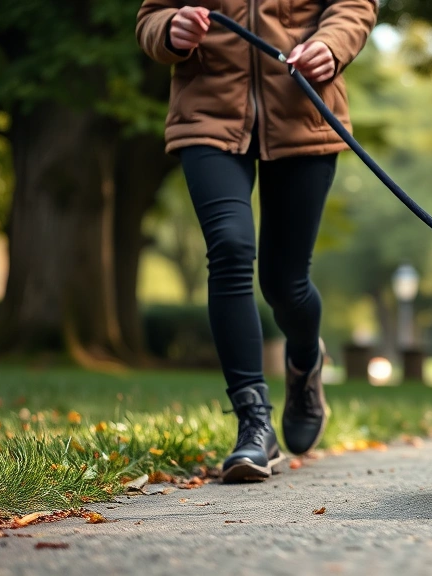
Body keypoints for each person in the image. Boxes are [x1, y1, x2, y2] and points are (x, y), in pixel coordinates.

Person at [136, 0, 378, 482]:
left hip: (302, 109)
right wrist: (169, 29)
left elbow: (354, 5)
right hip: (208, 114)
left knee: (285, 283)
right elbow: (151, 16)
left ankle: (305, 360)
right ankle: (253, 422)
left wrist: (331, 44)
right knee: (228, 249)